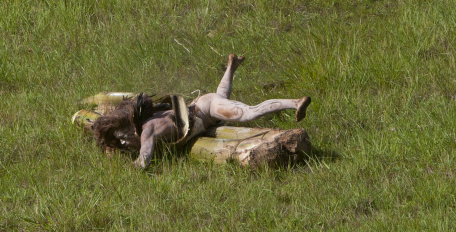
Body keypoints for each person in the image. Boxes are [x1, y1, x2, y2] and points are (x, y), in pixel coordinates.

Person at [91, 54, 311, 169]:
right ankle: (231, 66)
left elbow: (143, 161)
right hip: (205, 105)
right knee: (221, 97)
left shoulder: (148, 130)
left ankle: (295, 102)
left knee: (250, 113)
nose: (125, 141)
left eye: (121, 138)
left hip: (207, 108)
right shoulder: (150, 119)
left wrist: (127, 167)